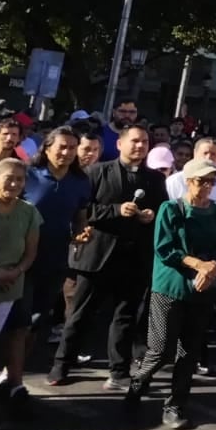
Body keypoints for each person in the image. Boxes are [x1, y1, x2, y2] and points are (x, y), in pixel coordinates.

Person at [51, 125, 169, 388]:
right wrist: (116, 210)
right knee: (80, 315)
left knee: (125, 318)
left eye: (145, 142)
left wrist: (150, 216)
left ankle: (119, 371)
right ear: (120, 144)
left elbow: (163, 212)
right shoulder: (96, 172)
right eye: (135, 141)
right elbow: (83, 210)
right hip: (98, 256)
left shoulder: (154, 180)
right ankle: (61, 365)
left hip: (134, 258)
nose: (140, 146)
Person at [126, 158, 216, 429]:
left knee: (189, 351)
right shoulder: (170, 208)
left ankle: (175, 405)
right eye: (201, 181)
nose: (206, 186)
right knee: (161, 349)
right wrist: (198, 265)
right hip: (171, 286)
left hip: (203, 288)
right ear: (188, 181)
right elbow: (165, 248)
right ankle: (137, 384)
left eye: (211, 181)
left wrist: (212, 268)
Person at [0, 158, 42, 418]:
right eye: (9, 177)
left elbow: (31, 252)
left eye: (20, 179)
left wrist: (16, 271)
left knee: (18, 334)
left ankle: (15, 385)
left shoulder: (29, 211)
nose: (15, 183)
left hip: (16, 281)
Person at [23, 126, 91, 338]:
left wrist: (82, 232)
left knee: (38, 316)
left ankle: (22, 364)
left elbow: (80, 217)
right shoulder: (28, 175)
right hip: (21, 255)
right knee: (16, 314)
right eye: (62, 147)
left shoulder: (80, 182)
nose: (67, 152)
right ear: (47, 149)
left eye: (72, 148)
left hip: (56, 257)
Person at [165, 137, 216, 242]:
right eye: (205, 153)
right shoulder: (174, 181)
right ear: (195, 153)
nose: (208, 157)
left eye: (213, 154)